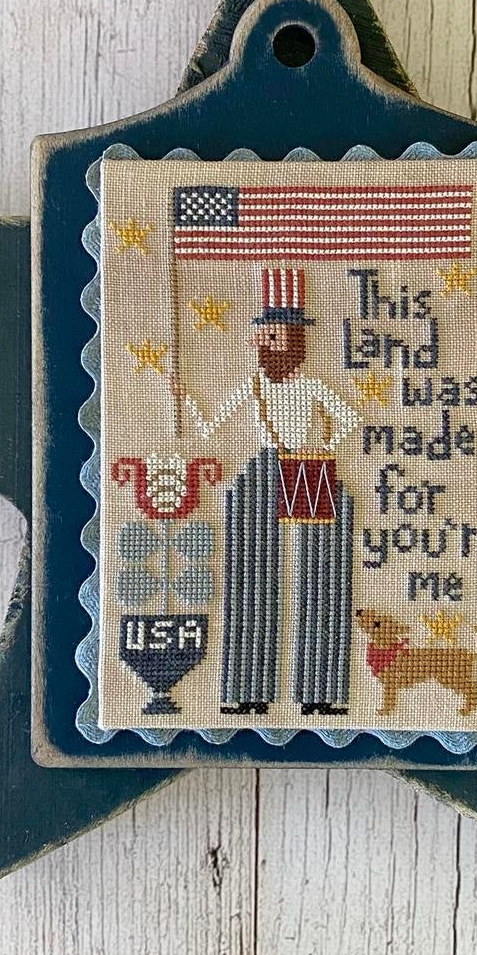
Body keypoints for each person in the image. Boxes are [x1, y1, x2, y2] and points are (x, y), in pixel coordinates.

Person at [172, 268, 359, 716]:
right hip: (261, 472)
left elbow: (349, 419)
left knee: (323, 575)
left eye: (272, 336)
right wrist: (184, 397)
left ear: (294, 342)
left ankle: (320, 691)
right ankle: (248, 689)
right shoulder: (252, 385)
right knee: (250, 576)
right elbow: (211, 425)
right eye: (262, 335)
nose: (261, 342)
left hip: (309, 470)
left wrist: (325, 444)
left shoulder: (311, 386)